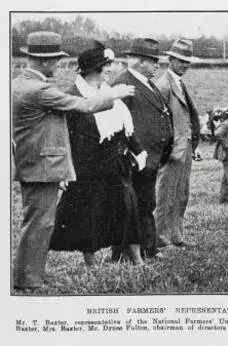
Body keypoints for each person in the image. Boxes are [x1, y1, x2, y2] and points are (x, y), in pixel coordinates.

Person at [12, 31, 134, 290]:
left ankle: (34, 273)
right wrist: (116, 93)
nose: (58, 64)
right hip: (41, 167)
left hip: (36, 164)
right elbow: (86, 106)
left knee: (40, 222)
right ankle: (28, 279)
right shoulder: (40, 90)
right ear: (44, 61)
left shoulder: (19, 84)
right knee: (38, 223)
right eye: (56, 59)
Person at [49, 43, 146, 266]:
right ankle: (91, 263)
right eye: (107, 66)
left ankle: (137, 259)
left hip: (117, 165)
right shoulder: (73, 96)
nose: (110, 70)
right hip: (88, 169)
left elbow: (124, 127)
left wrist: (138, 151)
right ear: (94, 69)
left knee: (129, 209)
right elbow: (64, 138)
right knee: (88, 216)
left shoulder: (108, 92)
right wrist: (64, 169)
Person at [110, 37, 173, 261]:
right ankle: (128, 253)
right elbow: (116, 122)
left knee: (145, 203)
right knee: (132, 205)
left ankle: (148, 248)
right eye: (152, 60)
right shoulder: (123, 84)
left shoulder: (146, 82)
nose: (157, 65)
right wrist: (131, 152)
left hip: (150, 157)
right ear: (139, 61)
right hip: (135, 158)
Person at [152, 39, 201, 248]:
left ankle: (176, 236)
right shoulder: (163, 85)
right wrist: (167, 148)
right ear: (170, 60)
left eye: (187, 62)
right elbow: (159, 121)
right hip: (172, 150)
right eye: (181, 61)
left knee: (181, 194)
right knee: (165, 195)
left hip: (185, 148)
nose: (185, 66)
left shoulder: (179, 83)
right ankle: (160, 238)